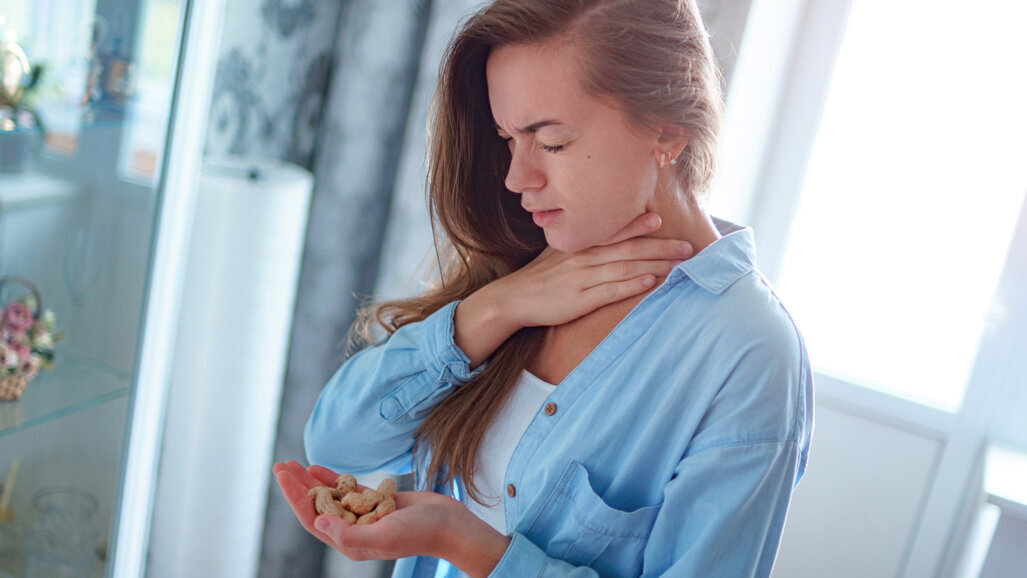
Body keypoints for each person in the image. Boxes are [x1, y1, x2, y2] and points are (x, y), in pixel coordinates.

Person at [274, 0, 814, 576]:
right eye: (509, 139)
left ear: (668, 131)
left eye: (551, 141)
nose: (516, 178)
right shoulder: (528, 263)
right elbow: (336, 445)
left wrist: (460, 541)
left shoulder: (749, 354)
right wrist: (499, 306)